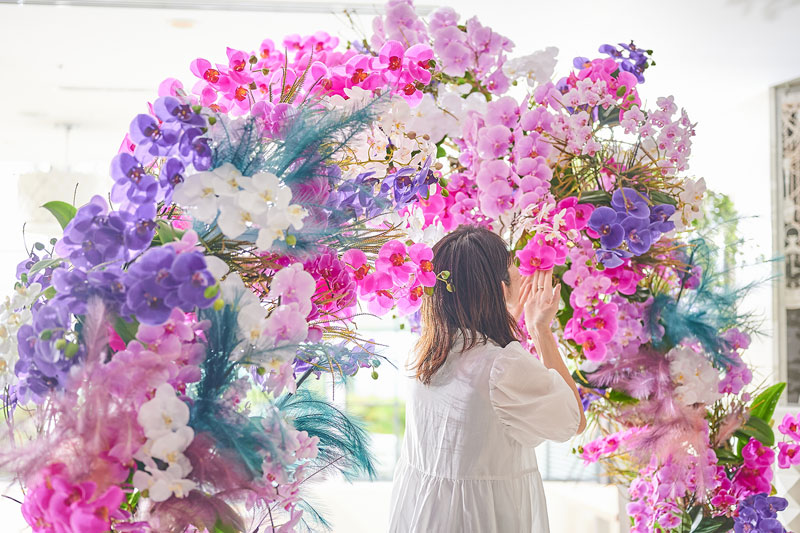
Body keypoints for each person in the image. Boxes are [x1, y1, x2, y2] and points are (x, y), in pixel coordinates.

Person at [388, 225, 587, 533]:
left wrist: (510, 320)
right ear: (499, 287)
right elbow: (572, 421)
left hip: (425, 516)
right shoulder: (501, 366)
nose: (521, 275)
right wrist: (540, 330)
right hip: (479, 520)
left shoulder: (425, 352)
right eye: (513, 269)